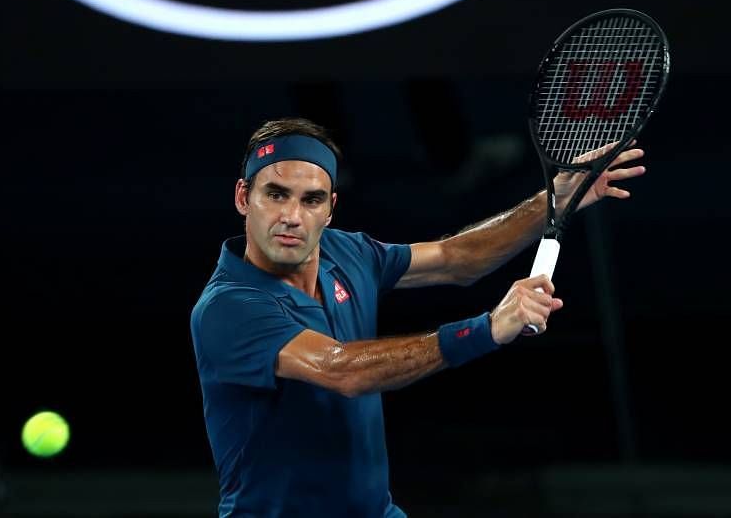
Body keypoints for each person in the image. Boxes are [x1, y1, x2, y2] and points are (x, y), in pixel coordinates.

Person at [190, 117, 645, 517]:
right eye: (276, 194)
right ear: (243, 197)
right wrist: (484, 329)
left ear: (330, 208)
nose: (291, 216)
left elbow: (455, 256)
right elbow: (341, 369)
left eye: (311, 200)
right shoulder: (229, 307)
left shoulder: (347, 252)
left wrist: (554, 200)